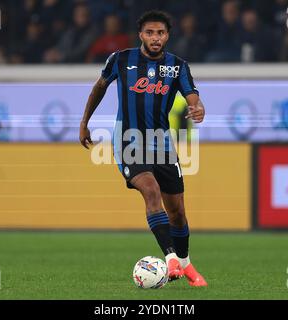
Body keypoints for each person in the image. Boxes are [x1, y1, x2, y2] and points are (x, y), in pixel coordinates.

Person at [79, 10, 207, 287]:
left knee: (178, 212)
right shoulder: (121, 60)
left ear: (167, 35)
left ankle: (185, 264)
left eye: (160, 32)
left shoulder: (177, 66)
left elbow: (192, 95)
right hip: (129, 140)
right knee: (150, 190)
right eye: (150, 32)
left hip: (162, 144)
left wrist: (197, 107)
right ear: (141, 35)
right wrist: (84, 121)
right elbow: (99, 87)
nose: (155, 37)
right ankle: (170, 257)